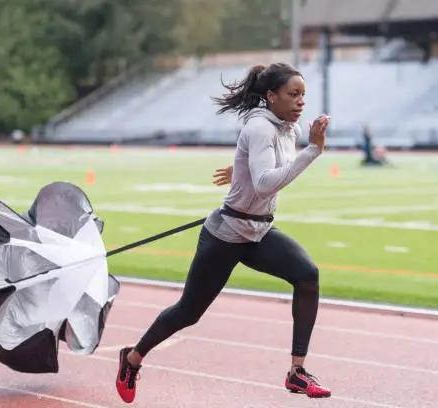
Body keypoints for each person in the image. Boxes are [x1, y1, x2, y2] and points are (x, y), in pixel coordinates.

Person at [115, 62, 332, 403]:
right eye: (293, 94)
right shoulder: (261, 127)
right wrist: (314, 151)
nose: (300, 101)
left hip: (258, 232)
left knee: (308, 276)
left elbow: (264, 169)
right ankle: (132, 358)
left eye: (303, 94)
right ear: (271, 96)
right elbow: (263, 185)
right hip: (226, 235)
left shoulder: (287, 127)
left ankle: (297, 373)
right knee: (188, 312)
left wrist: (241, 166)